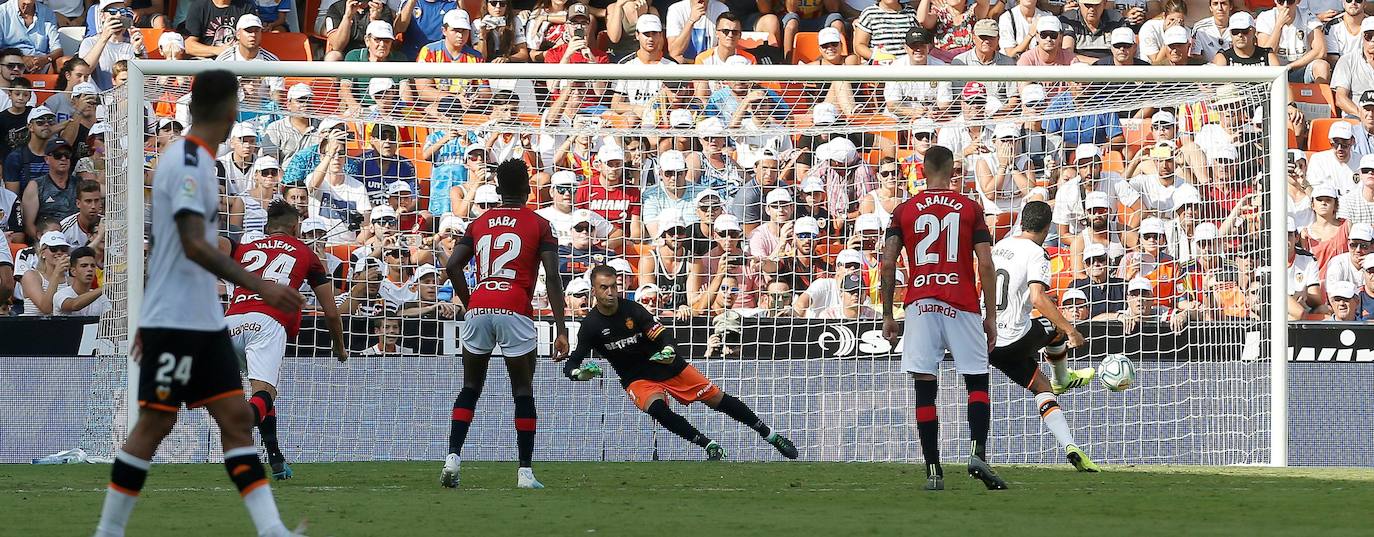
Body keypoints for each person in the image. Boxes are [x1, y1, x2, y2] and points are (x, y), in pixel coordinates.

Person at [93, 69, 304, 537]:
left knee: (234, 420)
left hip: (205, 321)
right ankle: (107, 532)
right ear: (231, 111)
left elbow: (173, 248)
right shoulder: (188, 161)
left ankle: (273, 530)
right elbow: (192, 243)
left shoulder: (199, 161)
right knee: (153, 426)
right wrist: (262, 286)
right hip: (176, 321)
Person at [562, 264, 798, 460]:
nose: (611, 292)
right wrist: (578, 374)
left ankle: (771, 435)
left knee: (717, 399)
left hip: (667, 366)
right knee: (658, 410)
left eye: (614, 286)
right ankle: (708, 445)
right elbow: (571, 363)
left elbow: (662, 334)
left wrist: (668, 349)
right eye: (604, 288)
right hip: (637, 379)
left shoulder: (632, 310)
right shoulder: (591, 326)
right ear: (594, 290)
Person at [879, 144, 1004, 491]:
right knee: (977, 382)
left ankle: (933, 469)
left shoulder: (904, 210)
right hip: (962, 302)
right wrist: (990, 316)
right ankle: (978, 453)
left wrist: (889, 314)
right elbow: (987, 264)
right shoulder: (970, 208)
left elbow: (887, 263)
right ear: (953, 171)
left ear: (921, 169)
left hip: (920, 305)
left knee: (924, 388)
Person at [441, 159, 570, 490]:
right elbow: (552, 277)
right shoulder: (539, 224)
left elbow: (453, 266)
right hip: (515, 308)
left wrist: (471, 301)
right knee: (523, 391)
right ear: (529, 190)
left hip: (480, 306)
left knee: (470, 387)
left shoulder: (479, 222)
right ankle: (525, 472)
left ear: (497, 191)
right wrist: (561, 328)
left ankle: (453, 458)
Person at [225, 199, 348, 481]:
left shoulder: (246, 248)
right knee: (265, 393)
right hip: (266, 323)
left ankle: (276, 459)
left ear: (267, 228)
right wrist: (339, 348)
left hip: (229, 322)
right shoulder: (307, 254)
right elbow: (330, 311)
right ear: (296, 227)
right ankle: (240, 424)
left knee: (262, 395)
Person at [987, 201, 1101, 472]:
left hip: (988, 339)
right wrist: (1071, 329)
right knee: (1057, 327)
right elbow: (1039, 298)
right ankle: (1063, 378)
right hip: (1014, 335)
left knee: (1041, 387)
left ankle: (1071, 447)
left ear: (1022, 222)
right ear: (1047, 228)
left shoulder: (998, 247)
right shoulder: (1037, 253)